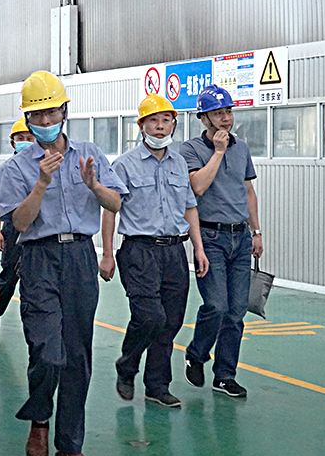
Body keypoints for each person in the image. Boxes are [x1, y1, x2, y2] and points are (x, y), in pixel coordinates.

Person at [0, 71, 125, 456]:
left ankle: (70, 446)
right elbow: (19, 223)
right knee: (48, 352)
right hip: (39, 260)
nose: (46, 121)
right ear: (27, 119)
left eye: (52, 112)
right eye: (38, 115)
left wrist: (94, 186)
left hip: (80, 258)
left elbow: (116, 203)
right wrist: (41, 183)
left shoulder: (89, 154)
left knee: (77, 355)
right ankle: (39, 420)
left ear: (65, 111)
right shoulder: (17, 167)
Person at [98, 94, 209, 408]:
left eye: (166, 121)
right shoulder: (124, 164)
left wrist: (198, 249)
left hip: (174, 252)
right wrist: (107, 253)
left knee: (170, 322)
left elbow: (190, 207)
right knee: (150, 317)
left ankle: (157, 386)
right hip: (139, 251)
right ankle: (127, 365)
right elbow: (111, 210)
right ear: (141, 126)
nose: (160, 127)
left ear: (174, 125)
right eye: (153, 121)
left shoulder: (179, 163)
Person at [182, 84, 263, 398]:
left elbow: (248, 191)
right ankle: (197, 353)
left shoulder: (241, 148)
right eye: (218, 114)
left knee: (236, 311)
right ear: (204, 119)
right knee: (216, 305)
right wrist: (217, 152)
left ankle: (225, 375)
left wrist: (256, 232)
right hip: (210, 237)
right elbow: (197, 187)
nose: (226, 118)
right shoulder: (190, 150)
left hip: (240, 237)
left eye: (228, 112)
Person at [0, 117, 35, 331]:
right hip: (13, 230)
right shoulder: (4, 169)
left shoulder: (46, 166)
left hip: (39, 230)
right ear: (13, 142)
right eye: (20, 138)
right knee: (9, 275)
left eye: (29, 138)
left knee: (36, 279)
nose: (25, 142)